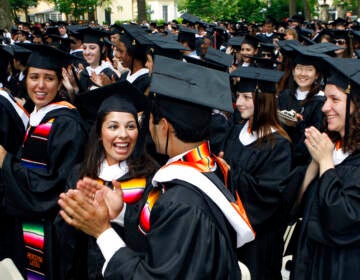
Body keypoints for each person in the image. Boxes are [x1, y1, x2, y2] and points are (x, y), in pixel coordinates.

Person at [58, 55, 255, 279]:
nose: (147, 131)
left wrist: (102, 232)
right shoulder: (211, 167)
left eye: (147, 122)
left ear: (164, 127)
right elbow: (166, 234)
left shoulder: (181, 201)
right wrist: (122, 212)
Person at [0, 44, 88, 280]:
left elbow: (54, 186)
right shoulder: (38, 116)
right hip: (31, 223)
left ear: (60, 83)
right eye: (34, 77)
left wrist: (5, 162)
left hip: (52, 234)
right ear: (25, 79)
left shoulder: (66, 123)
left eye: (49, 78)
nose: (40, 85)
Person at [55, 80, 159, 279]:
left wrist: (121, 214)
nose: (123, 135)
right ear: (100, 134)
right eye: (113, 127)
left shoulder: (150, 178)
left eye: (130, 126)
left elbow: (154, 236)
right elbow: (62, 235)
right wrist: (76, 216)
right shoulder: (80, 174)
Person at [290, 57, 360, 280]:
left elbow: (342, 218)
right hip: (310, 259)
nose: (324, 107)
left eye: (334, 99)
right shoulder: (333, 147)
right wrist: (316, 161)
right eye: (325, 98)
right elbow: (299, 206)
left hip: (341, 267)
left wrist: (326, 162)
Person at [222, 66, 293, 280]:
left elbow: (267, 197)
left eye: (246, 97)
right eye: (238, 96)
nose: (239, 103)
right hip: (229, 232)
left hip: (258, 242)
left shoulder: (279, 145)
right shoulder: (236, 131)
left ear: (263, 101)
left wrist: (228, 171)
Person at [277, 45, 326, 167]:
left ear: (316, 75)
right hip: (277, 155)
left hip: (301, 163)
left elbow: (313, 140)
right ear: (293, 71)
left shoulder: (321, 103)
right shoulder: (284, 95)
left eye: (309, 69)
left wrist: (298, 124)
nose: (303, 74)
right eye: (299, 68)